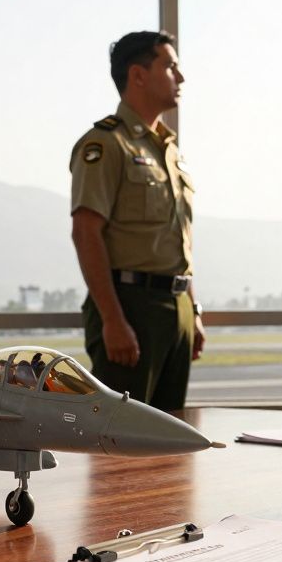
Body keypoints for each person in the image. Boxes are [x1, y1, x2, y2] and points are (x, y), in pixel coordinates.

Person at [69, 31, 205, 411]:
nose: (180, 77)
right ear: (138, 75)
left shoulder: (168, 149)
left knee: (169, 442)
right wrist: (113, 320)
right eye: (170, 66)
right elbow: (85, 233)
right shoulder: (106, 144)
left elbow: (180, 240)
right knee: (121, 444)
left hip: (174, 306)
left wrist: (191, 310)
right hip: (130, 306)